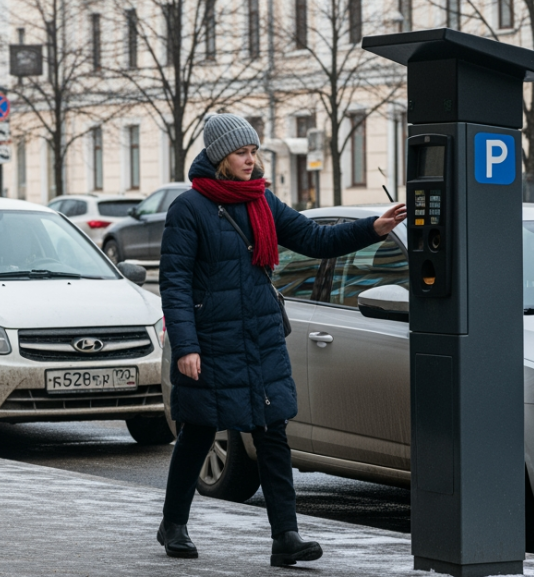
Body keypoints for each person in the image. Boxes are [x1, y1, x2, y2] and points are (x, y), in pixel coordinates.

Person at [157, 113, 405, 567]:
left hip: (261, 337)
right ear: (220, 158)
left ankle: (285, 538)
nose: (251, 161)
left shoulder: (263, 201)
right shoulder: (188, 210)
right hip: (212, 340)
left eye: (254, 152)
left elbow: (313, 238)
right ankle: (173, 523)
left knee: (273, 436)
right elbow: (174, 283)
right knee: (198, 432)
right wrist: (187, 346)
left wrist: (373, 229)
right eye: (241, 153)